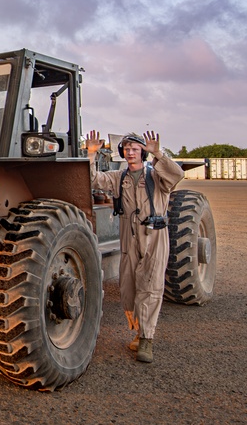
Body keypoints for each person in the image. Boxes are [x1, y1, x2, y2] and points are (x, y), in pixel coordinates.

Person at [85, 130, 184, 363]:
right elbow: (92, 179)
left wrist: (158, 153)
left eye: (135, 149)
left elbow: (176, 175)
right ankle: (139, 330)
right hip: (128, 235)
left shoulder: (156, 176)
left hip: (154, 234)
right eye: (127, 149)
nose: (130, 152)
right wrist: (91, 154)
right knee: (128, 285)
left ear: (143, 152)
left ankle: (147, 340)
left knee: (150, 285)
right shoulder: (119, 177)